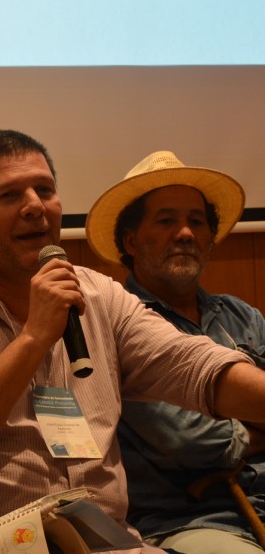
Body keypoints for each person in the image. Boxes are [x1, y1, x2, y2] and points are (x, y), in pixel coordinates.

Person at [0, 129, 265, 551]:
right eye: (9, 196)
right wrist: (34, 337)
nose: (36, 207)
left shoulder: (98, 294)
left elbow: (195, 366)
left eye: (45, 190)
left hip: (108, 545)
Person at [85, 150, 265, 554]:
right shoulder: (117, 326)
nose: (185, 233)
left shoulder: (243, 316)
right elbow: (188, 440)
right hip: (190, 521)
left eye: (196, 222)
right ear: (130, 240)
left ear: (209, 238)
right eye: (167, 221)